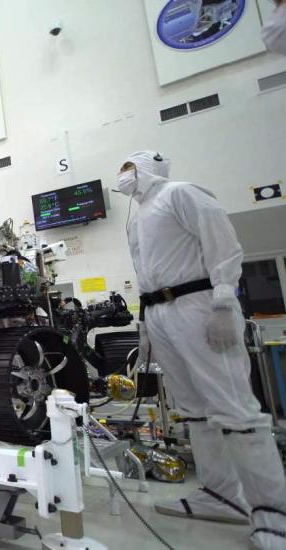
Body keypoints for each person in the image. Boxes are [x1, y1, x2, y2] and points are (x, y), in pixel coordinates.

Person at [115, 151, 286, 549]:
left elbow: (223, 245)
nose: (121, 176)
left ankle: (273, 511)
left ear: (146, 168)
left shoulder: (181, 194)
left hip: (197, 304)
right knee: (194, 409)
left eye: (127, 168)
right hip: (159, 311)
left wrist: (225, 300)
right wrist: (145, 324)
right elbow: (145, 271)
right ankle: (221, 494)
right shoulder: (137, 217)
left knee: (234, 406)